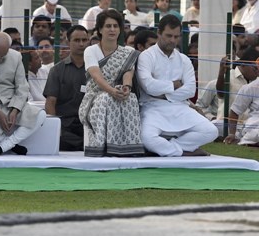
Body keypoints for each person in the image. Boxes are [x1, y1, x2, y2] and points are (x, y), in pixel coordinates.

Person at [136, 14, 218, 157]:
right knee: (146, 138)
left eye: (176, 36)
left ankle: (171, 149)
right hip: (152, 107)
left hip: (180, 107)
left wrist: (164, 94)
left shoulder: (183, 59)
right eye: (168, 36)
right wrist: (173, 85)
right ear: (159, 33)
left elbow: (191, 90)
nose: (172, 40)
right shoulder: (146, 56)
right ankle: (184, 151)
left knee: (211, 131)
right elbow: (148, 87)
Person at [78, 9, 143, 157]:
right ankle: (106, 149)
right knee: (107, 98)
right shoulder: (91, 50)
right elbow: (96, 76)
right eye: (108, 26)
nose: (112, 29)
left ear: (120, 29)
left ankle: (129, 149)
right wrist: (112, 91)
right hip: (94, 98)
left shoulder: (127, 51)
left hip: (118, 93)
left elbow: (128, 72)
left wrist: (126, 88)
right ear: (100, 29)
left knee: (131, 98)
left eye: (115, 26)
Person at [44, 25, 89, 151]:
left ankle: (83, 143)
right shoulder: (57, 70)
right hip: (65, 126)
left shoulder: (95, 69)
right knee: (59, 137)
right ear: (68, 42)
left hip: (89, 123)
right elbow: (50, 103)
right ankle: (83, 143)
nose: (81, 44)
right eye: (76, 40)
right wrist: (54, 128)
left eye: (84, 40)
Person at [224, 48, 259, 146]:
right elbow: (235, 111)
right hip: (254, 127)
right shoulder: (250, 87)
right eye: (255, 68)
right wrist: (232, 133)